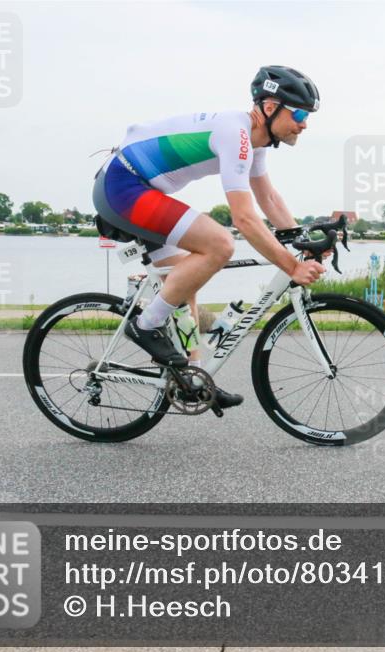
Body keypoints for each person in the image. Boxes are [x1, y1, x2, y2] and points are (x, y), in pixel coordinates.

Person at [92, 66, 326, 410]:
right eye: (300, 113)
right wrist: (291, 265)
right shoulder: (236, 134)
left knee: (184, 282)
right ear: (271, 107)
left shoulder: (255, 142)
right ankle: (145, 325)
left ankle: (192, 380)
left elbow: (269, 200)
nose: (305, 123)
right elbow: (244, 218)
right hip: (123, 185)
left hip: (142, 189)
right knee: (219, 244)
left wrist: (303, 240)